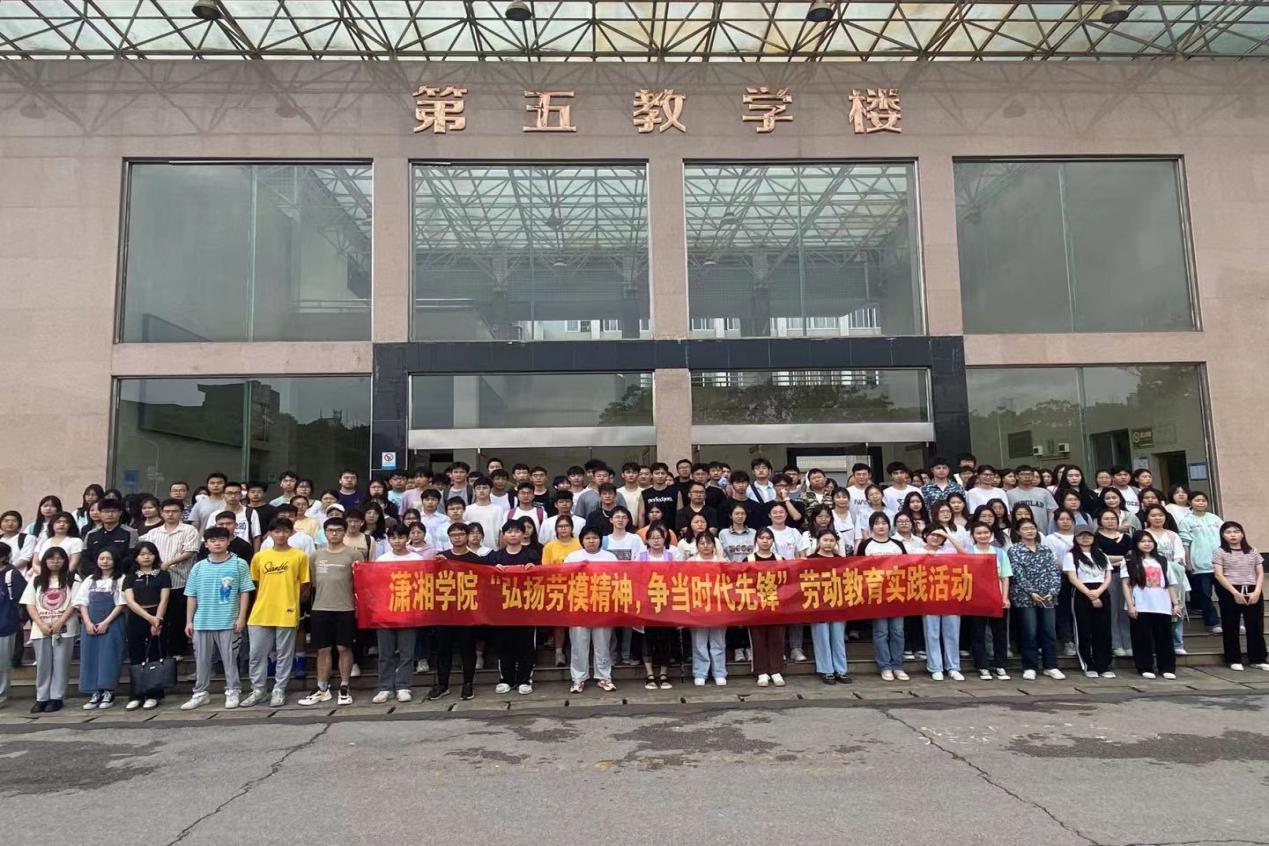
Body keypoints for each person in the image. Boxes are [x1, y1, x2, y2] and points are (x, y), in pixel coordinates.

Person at [180, 526, 254, 711]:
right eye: (212, 541)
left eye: (221, 540)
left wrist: (241, 617)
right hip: (202, 621)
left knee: (230, 660)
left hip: (228, 621)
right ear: (206, 544)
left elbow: (245, 592)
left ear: (228, 541)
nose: (217, 544)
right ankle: (200, 693)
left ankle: (233, 690)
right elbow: (191, 595)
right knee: (202, 661)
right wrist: (189, 620)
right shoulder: (198, 567)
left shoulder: (239, 564)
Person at [298, 517, 359, 707]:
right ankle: (322, 688)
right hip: (320, 607)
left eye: (338, 530)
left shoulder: (354, 554)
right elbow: (313, 583)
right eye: (330, 530)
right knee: (323, 649)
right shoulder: (316, 555)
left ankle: (344, 686)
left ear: (344, 532)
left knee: (343, 648)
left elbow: (359, 582)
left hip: (346, 607)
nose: (334, 533)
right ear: (324, 532)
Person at [428, 523, 485, 702]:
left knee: (467, 649)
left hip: (467, 612)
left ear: (467, 536)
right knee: (443, 650)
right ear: (449, 537)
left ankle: (468, 683)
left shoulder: (476, 560)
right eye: (453, 535)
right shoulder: (441, 557)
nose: (457, 537)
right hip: (445, 611)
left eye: (460, 534)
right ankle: (442, 684)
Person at [23, 547, 81, 712]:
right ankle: (41, 698)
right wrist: (40, 624)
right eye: (51, 558)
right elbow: (29, 604)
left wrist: (60, 622)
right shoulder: (37, 579)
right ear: (44, 561)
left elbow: (75, 603)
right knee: (43, 664)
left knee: (60, 663)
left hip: (65, 627)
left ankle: (56, 697)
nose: (55, 562)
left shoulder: (73, 578)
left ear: (65, 560)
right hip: (40, 628)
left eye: (59, 558)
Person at [1008, 518, 1065, 681]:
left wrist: (1052, 591)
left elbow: (1054, 571)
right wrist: (1031, 592)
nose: (1030, 531)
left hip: (1047, 596)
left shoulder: (1045, 549)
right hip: (1025, 597)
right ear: (1018, 532)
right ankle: (1030, 666)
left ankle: (1050, 666)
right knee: (1029, 632)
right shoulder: (1015, 550)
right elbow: (1018, 574)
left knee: (1049, 631)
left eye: (1032, 528)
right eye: (1025, 529)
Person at [144, 498, 200, 661]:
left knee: (178, 618)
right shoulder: (153, 533)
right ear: (161, 513)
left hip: (180, 581)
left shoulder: (189, 530)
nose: (170, 514)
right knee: (160, 617)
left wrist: (168, 563)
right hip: (158, 582)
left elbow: (190, 551)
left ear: (181, 513)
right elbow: (147, 551)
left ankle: (177, 651)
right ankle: (159, 652)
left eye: (174, 511)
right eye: (167, 511)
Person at [371, 525, 422, 704]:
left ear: (407, 538)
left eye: (401, 537)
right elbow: (375, 586)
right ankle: (385, 687)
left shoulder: (417, 559)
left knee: (407, 653)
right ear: (388, 540)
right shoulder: (382, 560)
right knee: (385, 653)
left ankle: (403, 686)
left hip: (408, 611)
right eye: (393, 538)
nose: (397, 541)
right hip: (385, 611)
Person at [564, 526, 617, 694]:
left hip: (602, 606)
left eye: (594, 537)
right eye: (587, 538)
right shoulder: (573, 557)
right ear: (582, 540)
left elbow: (617, 580)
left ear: (600, 539)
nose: (591, 541)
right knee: (579, 644)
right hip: (579, 607)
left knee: (603, 644)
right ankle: (578, 679)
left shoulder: (610, 557)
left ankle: (604, 676)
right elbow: (564, 580)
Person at [1122, 532, 1181, 679]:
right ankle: (1145, 667)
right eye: (1143, 541)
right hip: (1141, 605)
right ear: (1136, 544)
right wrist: (1130, 605)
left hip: (1162, 605)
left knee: (1165, 638)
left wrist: (1175, 603)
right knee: (1142, 638)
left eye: (1150, 541)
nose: (1147, 544)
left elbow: (1170, 584)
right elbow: (1126, 585)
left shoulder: (1162, 560)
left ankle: (1167, 667)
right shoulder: (1129, 561)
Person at [491, 520, 540, 695]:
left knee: (526, 645)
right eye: (509, 531)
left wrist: (535, 569)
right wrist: (492, 570)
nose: (513, 535)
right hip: (503, 609)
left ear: (523, 533)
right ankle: (506, 679)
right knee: (504, 644)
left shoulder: (532, 554)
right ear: (503, 535)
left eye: (517, 531)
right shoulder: (496, 557)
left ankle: (525, 679)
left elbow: (544, 579)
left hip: (526, 608)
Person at [1211, 521, 1268, 672]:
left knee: (1255, 626)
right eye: (1228, 532)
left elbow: (1260, 572)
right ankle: (1233, 659)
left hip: (1252, 589)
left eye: (1236, 531)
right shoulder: (1220, 552)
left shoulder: (1252, 551)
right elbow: (1219, 575)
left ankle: (1258, 659)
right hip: (1230, 590)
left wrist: (1257, 591)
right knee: (1231, 625)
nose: (1233, 535)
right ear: (1223, 535)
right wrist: (1235, 593)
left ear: (1242, 534)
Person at [74, 548, 127, 710]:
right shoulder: (90, 580)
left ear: (115, 561)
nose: (105, 561)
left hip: (112, 624)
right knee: (90, 657)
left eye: (108, 558)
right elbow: (81, 602)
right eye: (101, 558)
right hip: (90, 625)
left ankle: (108, 691)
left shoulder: (121, 579)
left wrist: (106, 622)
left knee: (109, 657)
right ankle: (95, 692)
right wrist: (87, 622)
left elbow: (121, 604)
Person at [858, 513, 907, 681]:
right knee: (881, 631)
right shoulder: (866, 545)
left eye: (884, 523)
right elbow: (858, 570)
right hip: (876, 595)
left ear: (889, 525)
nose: (881, 526)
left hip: (896, 593)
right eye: (877, 523)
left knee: (898, 631)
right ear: (871, 526)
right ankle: (885, 666)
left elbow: (908, 568)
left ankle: (898, 665)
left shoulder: (897, 544)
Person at [122, 541, 171, 710]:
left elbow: (164, 598)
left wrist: (157, 619)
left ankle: (154, 694)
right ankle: (136, 695)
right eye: (142, 554)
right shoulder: (130, 576)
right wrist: (148, 618)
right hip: (137, 617)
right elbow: (130, 601)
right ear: (136, 557)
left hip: (158, 615)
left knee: (155, 655)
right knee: (136, 656)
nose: (146, 557)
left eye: (149, 554)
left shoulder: (163, 575)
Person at [1063, 527, 1114, 679]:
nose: (1085, 538)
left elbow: (1108, 577)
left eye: (1088, 535)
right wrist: (1090, 594)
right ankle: (1088, 663)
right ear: (1076, 538)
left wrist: (1098, 592)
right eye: (1081, 535)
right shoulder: (1071, 555)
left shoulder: (1102, 555)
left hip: (1102, 591)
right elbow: (1073, 578)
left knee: (1103, 630)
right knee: (1084, 629)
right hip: (1081, 592)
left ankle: (1103, 665)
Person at [1141, 504, 1189, 656]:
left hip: (1173, 575)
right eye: (1153, 515)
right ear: (1147, 518)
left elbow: (1180, 556)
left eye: (1160, 515)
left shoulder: (1173, 535)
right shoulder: (1143, 535)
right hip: (1150, 578)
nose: (1157, 518)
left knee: (1177, 607)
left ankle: (1177, 642)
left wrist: (1167, 566)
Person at [967, 523, 1011, 681]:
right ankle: (982, 666)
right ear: (973, 535)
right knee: (978, 633)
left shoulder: (999, 552)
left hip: (996, 597)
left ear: (991, 534)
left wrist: (1005, 597)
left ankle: (1000, 665)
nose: (983, 536)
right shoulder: (969, 552)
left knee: (1000, 633)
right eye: (979, 533)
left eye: (986, 532)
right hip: (976, 599)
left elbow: (1005, 576)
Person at [806, 529, 850, 685]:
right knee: (822, 638)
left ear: (836, 543)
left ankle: (841, 670)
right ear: (818, 541)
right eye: (825, 540)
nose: (828, 543)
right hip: (818, 604)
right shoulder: (810, 560)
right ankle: (826, 670)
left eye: (831, 540)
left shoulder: (841, 560)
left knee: (838, 638)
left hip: (837, 603)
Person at [638, 524, 679, 690]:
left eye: (659, 538)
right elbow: (635, 578)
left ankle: (663, 673)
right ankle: (649, 674)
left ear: (664, 539)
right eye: (652, 538)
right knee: (647, 638)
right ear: (647, 540)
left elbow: (678, 578)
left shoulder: (671, 556)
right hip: (647, 603)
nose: (656, 541)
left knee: (665, 638)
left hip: (666, 603)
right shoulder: (641, 556)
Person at [920, 527, 964, 681]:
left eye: (939, 536)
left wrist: (947, 535)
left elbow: (965, 555)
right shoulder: (917, 550)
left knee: (952, 632)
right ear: (925, 535)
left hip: (950, 595)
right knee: (932, 633)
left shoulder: (949, 551)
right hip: (928, 596)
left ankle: (953, 667)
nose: (936, 538)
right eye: (932, 535)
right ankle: (935, 667)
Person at [1179, 491, 1223, 634]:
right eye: (1197, 500)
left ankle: (1231, 622)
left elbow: (1225, 538)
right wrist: (1188, 563)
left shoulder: (1215, 519)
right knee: (1205, 596)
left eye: (1203, 500)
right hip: (1200, 565)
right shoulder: (1186, 521)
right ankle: (1212, 623)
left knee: (1226, 595)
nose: (1201, 503)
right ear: (1190, 502)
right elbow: (1185, 544)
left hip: (1220, 565)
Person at [687, 532, 727, 686]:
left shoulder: (722, 562)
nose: (705, 546)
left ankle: (719, 672)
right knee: (699, 641)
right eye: (702, 543)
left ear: (714, 545)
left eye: (709, 543)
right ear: (697, 546)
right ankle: (700, 672)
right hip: (698, 606)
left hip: (718, 606)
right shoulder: (690, 562)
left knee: (718, 641)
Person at [1093, 508, 1134, 657]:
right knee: (1112, 610)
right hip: (1107, 577)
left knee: (1125, 609)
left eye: (1113, 519)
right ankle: (1116, 644)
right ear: (1100, 521)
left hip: (1126, 576)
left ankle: (1128, 643)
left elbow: (1132, 556)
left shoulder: (1126, 538)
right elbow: (1099, 557)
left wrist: (1114, 559)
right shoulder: (1096, 537)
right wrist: (1122, 558)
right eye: (1106, 519)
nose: (1110, 521)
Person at [1008, 466, 1058, 534]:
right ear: (1017, 477)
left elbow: (1052, 512)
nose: (1027, 477)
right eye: (1023, 474)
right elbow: (1009, 515)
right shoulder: (1010, 494)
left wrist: (1051, 530)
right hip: (1020, 533)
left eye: (1030, 474)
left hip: (1042, 533)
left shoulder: (1044, 492)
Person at [33, 511, 83, 576]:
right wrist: (45, 576)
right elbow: (35, 564)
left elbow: (73, 564)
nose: (62, 524)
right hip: (40, 577)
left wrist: (58, 577)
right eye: (58, 522)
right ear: (52, 524)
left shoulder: (76, 541)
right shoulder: (44, 542)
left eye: (66, 522)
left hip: (66, 577)